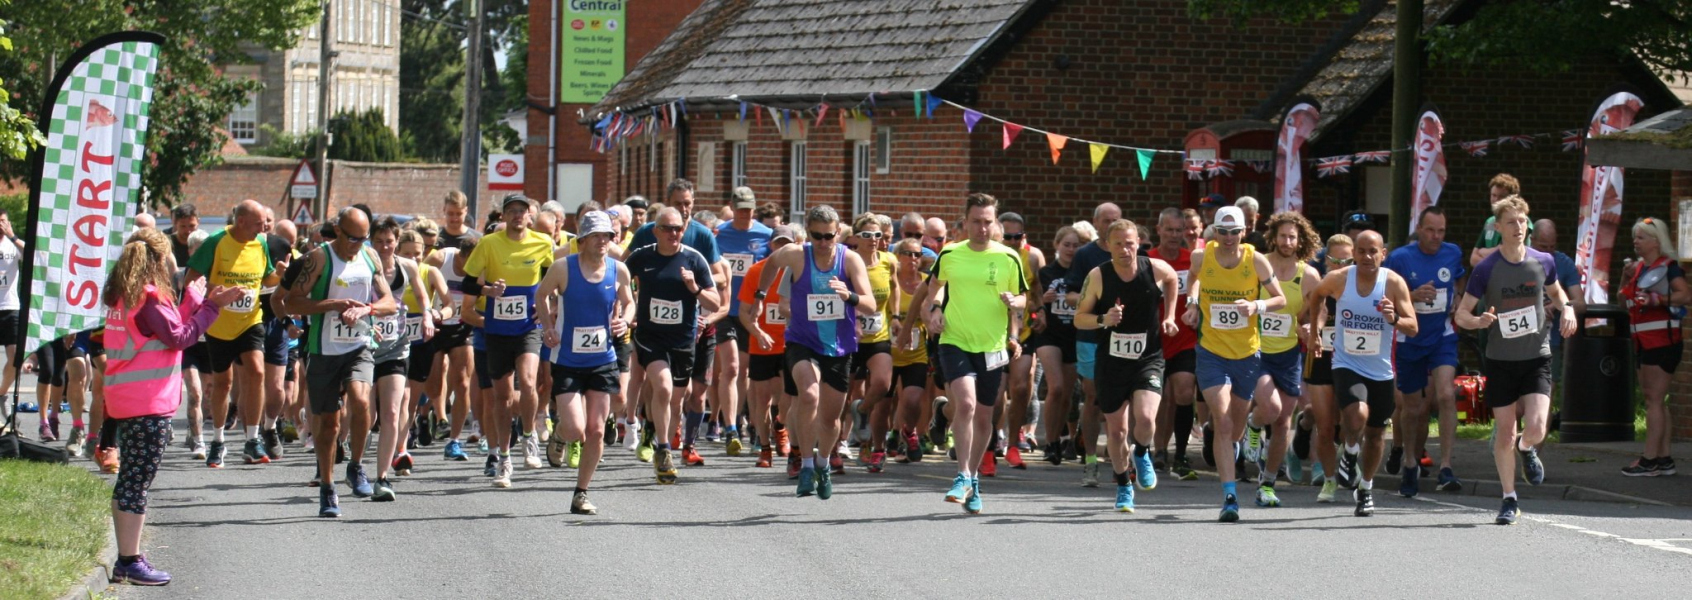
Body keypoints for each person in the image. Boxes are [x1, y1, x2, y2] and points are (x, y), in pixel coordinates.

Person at [101, 228, 244, 586]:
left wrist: (194, 301)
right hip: (147, 403)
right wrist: (211, 306)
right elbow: (180, 336)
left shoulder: (125, 296)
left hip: (125, 398)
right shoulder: (150, 298)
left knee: (129, 480)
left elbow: (168, 328)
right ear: (159, 259)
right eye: (170, 260)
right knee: (136, 482)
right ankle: (129, 560)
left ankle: (127, 557)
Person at [1453, 195, 1576, 525]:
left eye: (1523, 221)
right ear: (1498, 227)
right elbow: (1462, 313)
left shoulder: (1543, 262)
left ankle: (1527, 447)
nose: (1519, 227)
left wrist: (1568, 310)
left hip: (1536, 356)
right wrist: (1477, 321)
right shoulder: (1486, 269)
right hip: (1501, 359)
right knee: (1504, 432)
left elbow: (1557, 293)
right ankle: (1509, 498)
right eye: (1511, 222)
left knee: (1536, 427)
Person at [282, 207, 398, 517]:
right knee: (329, 424)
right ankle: (327, 488)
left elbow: (390, 303)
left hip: (358, 345)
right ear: (338, 231)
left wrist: (367, 310)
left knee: (361, 402)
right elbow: (290, 301)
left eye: (362, 239)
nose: (356, 245)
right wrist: (333, 304)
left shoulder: (370, 257)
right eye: (351, 238)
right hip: (323, 350)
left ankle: (357, 467)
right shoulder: (318, 258)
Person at [754, 205, 874, 498]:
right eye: (817, 236)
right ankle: (806, 465)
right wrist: (760, 294)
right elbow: (770, 263)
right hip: (801, 341)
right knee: (807, 395)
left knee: (831, 419)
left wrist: (849, 296)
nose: (822, 243)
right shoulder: (796, 255)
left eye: (829, 236)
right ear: (808, 233)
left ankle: (822, 463)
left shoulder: (850, 260)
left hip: (838, 347)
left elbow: (870, 304)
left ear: (838, 232)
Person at [924, 193, 1027, 514]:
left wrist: (1014, 304)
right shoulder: (951, 253)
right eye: (976, 222)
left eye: (987, 222)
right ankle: (963, 475)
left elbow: (1024, 299)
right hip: (954, 339)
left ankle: (974, 481)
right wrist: (936, 308)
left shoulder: (1008, 257)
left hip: (992, 345)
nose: (982, 228)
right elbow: (936, 285)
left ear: (994, 223)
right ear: (965, 223)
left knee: (986, 414)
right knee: (966, 404)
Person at [1182, 206, 1286, 522]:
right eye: (1222, 232)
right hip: (1211, 352)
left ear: (1243, 232)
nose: (1228, 238)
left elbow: (1279, 298)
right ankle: (1230, 497)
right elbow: (1193, 278)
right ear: (1214, 232)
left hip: (1246, 354)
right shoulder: (1202, 256)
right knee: (1224, 421)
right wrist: (1192, 304)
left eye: (1234, 232)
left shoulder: (1255, 259)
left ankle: (1231, 441)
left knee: (1236, 426)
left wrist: (1256, 305)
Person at [1308, 230, 1418, 517]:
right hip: (1346, 363)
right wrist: (1313, 334)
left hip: (1381, 370)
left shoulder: (1393, 283)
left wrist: (1393, 317)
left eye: (1374, 251)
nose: (1368, 257)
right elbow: (1317, 295)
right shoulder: (1340, 279)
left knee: (1377, 434)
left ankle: (1366, 488)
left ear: (1383, 254)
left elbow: (1412, 326)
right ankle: (1351, 450)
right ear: (1354, 253)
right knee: (1356, 414)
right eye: (1362, 251)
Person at [1074, 220, 1180, 513]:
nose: (1125, 249)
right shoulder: (1098, 276)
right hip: (1111, 362)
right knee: (1118, 432)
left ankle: (1143, 452)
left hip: (1148, 359)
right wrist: (1102, 320)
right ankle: (1123, 485)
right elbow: (1078, 317)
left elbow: (1172, 278)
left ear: (1139, 243)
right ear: (1108, 246)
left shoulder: (1152, 268)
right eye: (1118, 243)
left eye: (1130, 242)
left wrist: (1169, 316)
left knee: (1146, 418)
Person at [537, 211, 634, 514]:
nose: (603, 241)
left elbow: (629, 302)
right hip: (567, 358)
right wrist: (547, 328)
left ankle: (581, 492)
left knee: (595, 430)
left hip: (603, 359)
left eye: (607, 236)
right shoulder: (563, 268)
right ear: (582, 240)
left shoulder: (618, 271)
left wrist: (626, 322)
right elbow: (540, 296)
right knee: (576, 429)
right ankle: (559, 435)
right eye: (596, 235)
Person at [461, 194, 557, 485]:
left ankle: (529, 437)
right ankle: (504, 457)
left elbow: (549, 283)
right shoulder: (488, 244)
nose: (517, 216)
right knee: (501, 397)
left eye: (522, 211)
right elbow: (468, 282)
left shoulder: (542, 243)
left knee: (528, 381)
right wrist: (488, 290)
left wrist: (549, 309)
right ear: (503, 217)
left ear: (529, 216)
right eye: (511, 211)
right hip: (496, 329)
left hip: (528, 326)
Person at [626, 207, 720, 484]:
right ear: (656, 231)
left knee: (677, 399)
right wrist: (626, 308)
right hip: (650, 337)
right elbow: (618, 280)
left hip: (683, 340)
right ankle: (664, 450)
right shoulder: (642, 257)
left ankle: (655, 430)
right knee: (663, 387)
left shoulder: (693, 259)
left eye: (678, 228)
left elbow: (715, 303)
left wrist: (694, 288)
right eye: (667, 228)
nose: (674, 233)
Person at [184, 199, 280, 468]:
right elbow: (191, 278)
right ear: (241, 222)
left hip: (251, 321)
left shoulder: (260, 243)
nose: (263, 229)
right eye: (258, 224)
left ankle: (252, 439)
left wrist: (280, 276)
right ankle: (218, 441)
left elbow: (267, 278)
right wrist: (215, 294)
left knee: (257, 371)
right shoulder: (216, 241)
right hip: (219, 325)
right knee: (223, 384)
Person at [1383, 206, 1467, 497]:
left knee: (1445, 395)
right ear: (1419, 229)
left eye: (1441, 231)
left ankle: (1445, 467)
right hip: (1410, 338)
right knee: (1413, 408)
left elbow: (1459, 278)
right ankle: (1409, 461)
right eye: (1431, 230)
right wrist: (1411, 295)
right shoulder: (1400, 258)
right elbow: (1385, 294)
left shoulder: (1452, 253)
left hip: (1442, 335)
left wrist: (1457, 296)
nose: (1436, 236)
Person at [1243, 211, 1320, 507]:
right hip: (1257, 349)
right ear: (1273, 237)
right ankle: (1252, 423)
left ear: (1300, 240)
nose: (1287, 241)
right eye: (1282, 236)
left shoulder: (1308, 274)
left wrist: (1311, 328)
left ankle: (1269, 483)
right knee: (1271, 407)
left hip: (1289, 354)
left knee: (1283, 421)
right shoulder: (1259, 265)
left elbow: (1319, 308)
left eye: (1293, 236)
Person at [366, 218, 431, 500]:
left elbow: (421, 294)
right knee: (364, 414)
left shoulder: (408, 266)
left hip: (396, 346)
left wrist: (428, 314)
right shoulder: (362, 267)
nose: (384, 247)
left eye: (389, 241)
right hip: (364, 347)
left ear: (396, 241)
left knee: (392, 411)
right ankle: (352, 458)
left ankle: (382, 477)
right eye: (378, 241)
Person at [1619, 216, 1688, 476]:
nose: (1635, 242)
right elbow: (1622, 301)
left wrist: (1657, 299)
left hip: (1663, 341)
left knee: (1654, 400)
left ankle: (1649, 460)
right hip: (1643, 341)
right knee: (1656, 400)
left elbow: (1685, 295)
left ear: (1656, 241)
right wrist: (1624, 280)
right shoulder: (1637, 269)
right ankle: (1664, 458)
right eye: (1635, 237)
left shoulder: (1669, 267)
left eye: (1641, 237)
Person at [1063, 201, 1122, 486]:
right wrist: (1092, 303)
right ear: (1096, 223)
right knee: (1093, 395)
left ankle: (1121, 459)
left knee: (1120, 398)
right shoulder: (1086, 254)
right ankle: (1089, 460)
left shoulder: (1130, 252)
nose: (1111, 224)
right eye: (1106, 220)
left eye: (1116, 219)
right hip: (1091, 334)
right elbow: (1071, 295)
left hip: (1123, 336)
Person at [714, 187, 773, 458]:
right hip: (727, 310)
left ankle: (745, 421)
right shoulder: (719, 234)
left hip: (752, 313)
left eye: (749, 209)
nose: (744, 214)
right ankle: (732, 426)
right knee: (733, 368)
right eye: (740, 209)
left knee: (746, 371)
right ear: (731, 206)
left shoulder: (765, 235)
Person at [843, 212, 901, 473]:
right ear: (856, 237)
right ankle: (835, 448)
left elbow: (895, 286)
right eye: (867, 235)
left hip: (878, 334)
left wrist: (896, 316)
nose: (873, 239)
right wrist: (853, 319)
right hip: (850, 336)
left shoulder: (889, 261)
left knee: (882, 383)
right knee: (842, 395)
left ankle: (863, 410)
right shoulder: (848, 262)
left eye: (877, 235)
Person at [740, 226, 799, 469]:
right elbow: (744, 312)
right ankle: (764, 447)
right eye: (778, 243)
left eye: (787, 243)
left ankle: (781, 425)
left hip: (790, 343)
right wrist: (758, 332)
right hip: (762, 344)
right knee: (761, 399)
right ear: (771, 245)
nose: (782, 248)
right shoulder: (757, 271)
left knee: (788, 396)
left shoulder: (800, 271)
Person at [1147, 208, 1199, 480]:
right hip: (1153, 341)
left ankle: (1180, 454)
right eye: (1169, 230)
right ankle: (1157, 451)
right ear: (1159, 230)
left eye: (1179, 230)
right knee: (1158, 398)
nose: (1175, 235)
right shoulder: (1147, 260)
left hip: (1184, 338)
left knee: (1183, 392)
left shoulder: (1192, 261)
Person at [1303, 234, 1353, 502]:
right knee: (1325, 424)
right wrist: (1309, 330)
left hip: (1353, 361)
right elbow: (1308, 316)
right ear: (1326, 261)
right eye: (1335, 260)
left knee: (1350, 420)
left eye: (1347, 260)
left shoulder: (1360, 288)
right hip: (1322, 360)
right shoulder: (1320, 289)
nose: (1341, 265)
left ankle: (1349, 461)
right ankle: (1329, 480)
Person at [994, 211, 1044, 472]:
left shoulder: (1033, 257)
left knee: (1022, 388)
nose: (1013, 241)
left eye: (1017, 237)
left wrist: (1038, 312)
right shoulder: (989, 257)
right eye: (1007, 237)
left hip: (1022, 334)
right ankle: (990, 446)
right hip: (991, 334)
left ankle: (1013, 444)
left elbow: (1037, 292)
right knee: (995, 394)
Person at [1031, 225, 1081, 466]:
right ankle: (1050, 443)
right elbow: (1033, 299)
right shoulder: (1046, 272)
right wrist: (1043, 301)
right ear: (1057, 245)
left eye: (1075, 245)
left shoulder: (1083, 272)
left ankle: (1059, 439)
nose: (1071, 249)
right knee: (1057, 387)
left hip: (1073, 333)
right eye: (1066, 244)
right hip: (1049, 334)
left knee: (1067, 395)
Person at [424, 236, 476, 461]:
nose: (473, 269)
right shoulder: (439, 258)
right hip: (436, 325)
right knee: (434, 384)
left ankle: (454, 440)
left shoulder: (481, 265)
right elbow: (420, 282)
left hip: (463, 327)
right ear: (461, 256)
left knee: (463, 382)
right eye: (469, 263)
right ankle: (431, 413)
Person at [889, 236, 932, 466]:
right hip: (889, 351)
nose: (914, 259)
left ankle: (909, 431)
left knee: (912, 399)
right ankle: (880, 442)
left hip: (917, 351)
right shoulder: (891, 281)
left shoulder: (926, 281)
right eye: (908, 253)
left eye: (918, 254)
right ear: (898, 256)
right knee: (885, 402)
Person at [1468, 173, 1522, 267]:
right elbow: (1473, 258)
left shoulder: (1520, 222)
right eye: (1493, 195)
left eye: (1501, 197)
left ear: (1512, 198)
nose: (1496, 200)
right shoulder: (1490, 222)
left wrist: (1483, 252)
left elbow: (1506, 254)